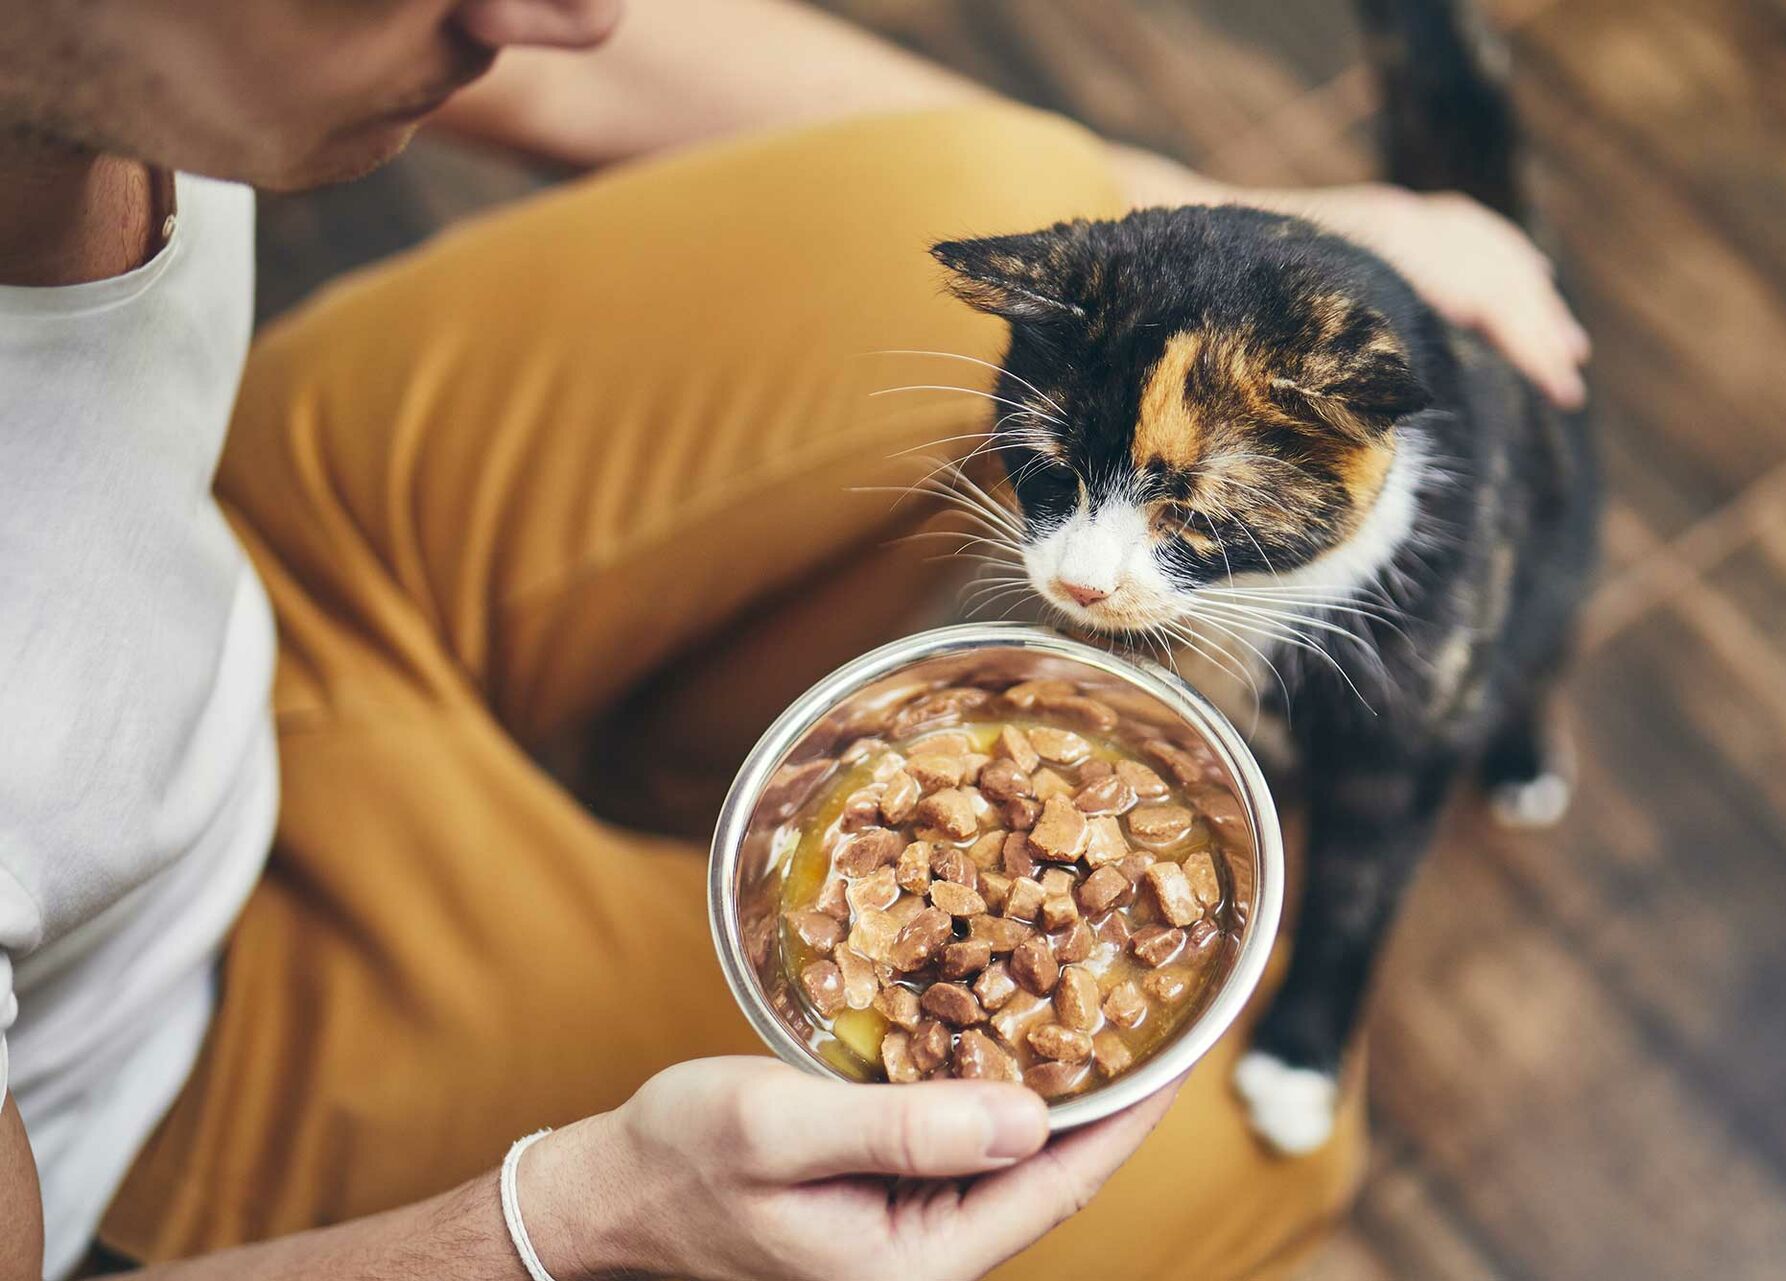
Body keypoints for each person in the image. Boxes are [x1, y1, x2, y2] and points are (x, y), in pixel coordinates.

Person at [0, 2, 1589, 1278]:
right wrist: (575, 1226)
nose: (572, 8)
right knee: (1238, 1153)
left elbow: (603, 70)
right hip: (155, 1061)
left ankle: (655, 769)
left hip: (230, 556)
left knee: (981, 172)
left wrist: (1248, 243)